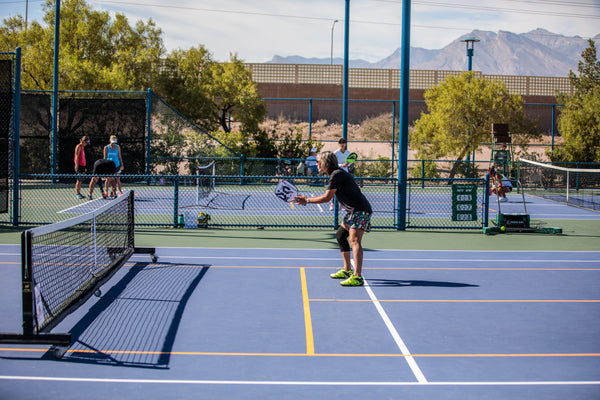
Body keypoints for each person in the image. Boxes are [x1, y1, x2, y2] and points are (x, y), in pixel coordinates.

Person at [294, 151, 372, 287]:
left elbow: (326, 197)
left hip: (359, 210)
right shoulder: (336, 173)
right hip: (352, 211)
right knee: (341, 236)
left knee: (354, 240)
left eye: (318, 162)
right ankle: (347, 270)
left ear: (325, 163)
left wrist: (307, 200)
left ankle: (358, 276)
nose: (316, 164)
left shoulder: (336, 175)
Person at [331, 138, 351, 210]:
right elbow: (333, 163)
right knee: (335, 189)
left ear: (345, 144)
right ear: (338, 144)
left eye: (343, 143)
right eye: (340, 143)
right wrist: (341, 165)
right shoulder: (335, 153)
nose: (342, 145)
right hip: (337, 173)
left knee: (344, 190)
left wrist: (347, 164)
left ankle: (342, 204)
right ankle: (333, 204)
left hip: (345, 173)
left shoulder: (348, 153)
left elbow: (350, 162)